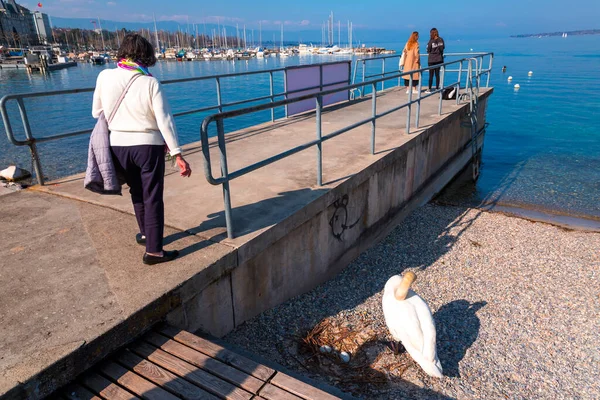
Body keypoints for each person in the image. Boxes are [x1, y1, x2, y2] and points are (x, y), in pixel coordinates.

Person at [92, 34, 192, 265]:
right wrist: (177, 154)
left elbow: (97, 112)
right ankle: (154, 251)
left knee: (136, 192)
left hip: (117, 145)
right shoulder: (150, 82)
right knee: (153, 196)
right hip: (148, 147)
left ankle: (146, 233)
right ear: (146, 55)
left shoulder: (104, 76)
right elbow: (164, 120)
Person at [426, 28, 445, 93]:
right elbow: (442, 48)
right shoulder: (441, 40)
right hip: (439, 59)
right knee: (437, 74)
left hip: (431, 59)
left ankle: (429, 88)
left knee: (431, 75)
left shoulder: (431, 41)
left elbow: (428, 50)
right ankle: (437, 88)